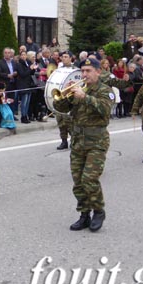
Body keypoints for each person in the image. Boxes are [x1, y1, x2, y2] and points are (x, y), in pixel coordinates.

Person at [53, 58, 114, 232]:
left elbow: (105, 110)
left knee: (89, 179)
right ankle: (84, 214)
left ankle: (98, 210)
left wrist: (85, 97)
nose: (84, 75)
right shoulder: (79, 89)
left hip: (97, 141)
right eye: (83, 71)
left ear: (98, 72)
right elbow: (61, 108)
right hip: (78, 141)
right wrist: (66, 94)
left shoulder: (105, 91)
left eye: (88, 71)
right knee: (78, 181)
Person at [55, 52, 76, 150]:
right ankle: (64, 141)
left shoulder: (75, 70)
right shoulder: (59, 70)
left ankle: (73, 140)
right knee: (61, 122)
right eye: (62, 57)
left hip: (70, 100)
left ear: (71, 58)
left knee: (70, 122)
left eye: (66, 57)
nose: (63, 58)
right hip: (61, 98)